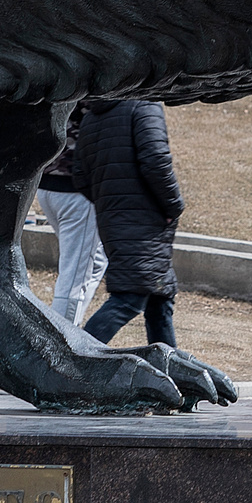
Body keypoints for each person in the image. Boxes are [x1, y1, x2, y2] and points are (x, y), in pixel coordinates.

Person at [77, 98, 183, 348]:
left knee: (160, 299)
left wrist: (111, 201)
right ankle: (72, 359)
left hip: (116, 219)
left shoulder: (92, 115)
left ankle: (168, 370)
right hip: (146, 222)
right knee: (129, 298)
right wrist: (173, 205)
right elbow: (156, 160)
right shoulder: (144, 105)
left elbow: (80, 176)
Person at [35, 104, 106, 323]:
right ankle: (59, 343)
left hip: (47, 185)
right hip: (75, 191)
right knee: (74, 279)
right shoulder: (92, 87)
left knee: (97, 261)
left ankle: (69, 332)